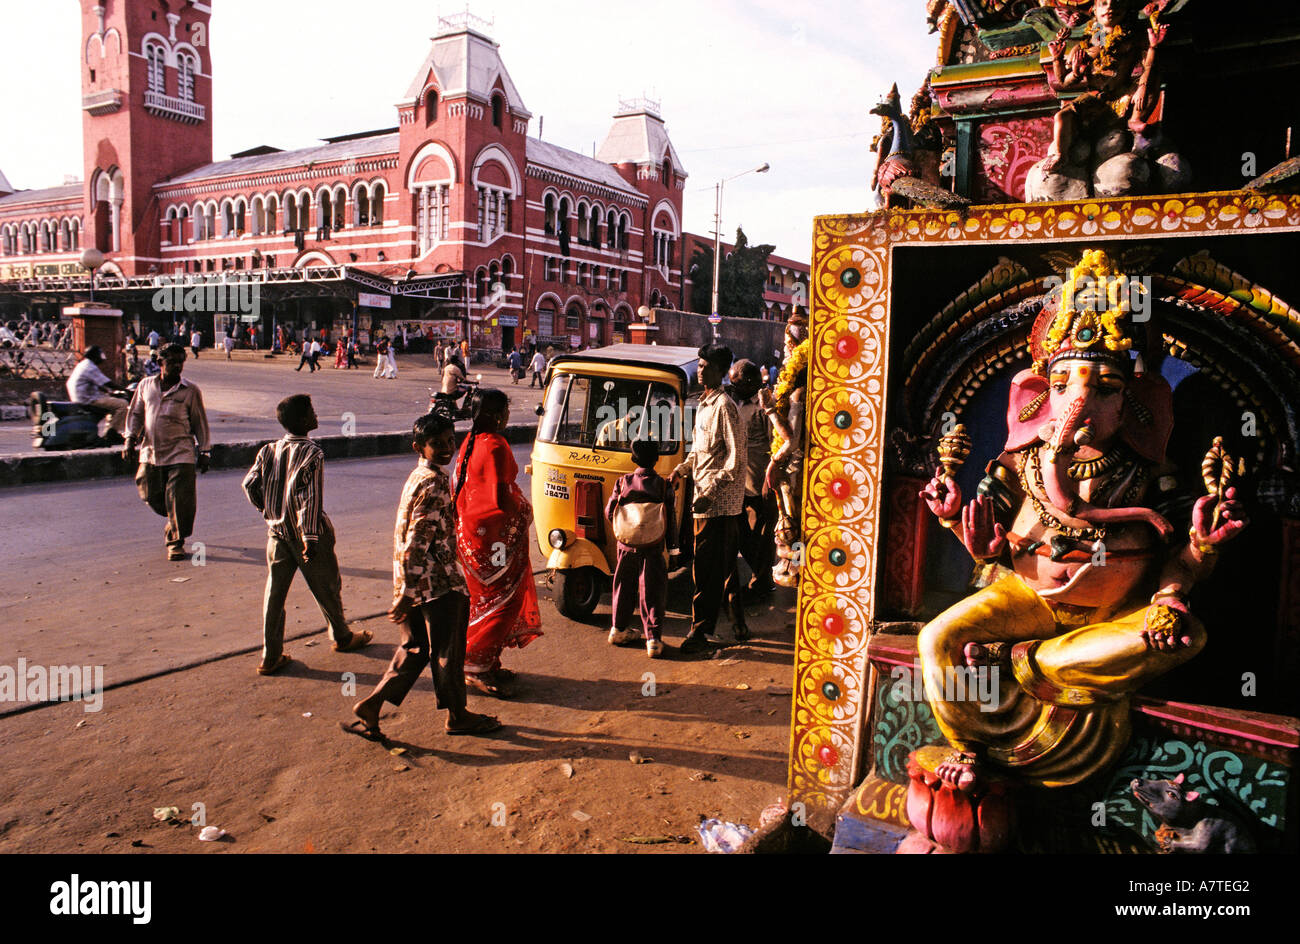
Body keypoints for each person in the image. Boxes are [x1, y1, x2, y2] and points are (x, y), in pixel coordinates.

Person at [343, 411, 502, 741]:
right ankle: (459, 716)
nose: (446, 448)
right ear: (419, 446)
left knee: (414, 649)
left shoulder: (417, 476)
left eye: (449, 441)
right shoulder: (435, 483)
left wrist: (405, 586)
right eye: (437, 444)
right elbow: (419, 538)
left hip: (411, 580)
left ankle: (372, 705)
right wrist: (408, 590)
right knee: (449, 653)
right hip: (438, 582)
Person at [241, 394, 373, 675]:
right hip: (308, 535)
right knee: (326, 586)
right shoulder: (313, 453)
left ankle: (270, 655)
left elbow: (250, 484)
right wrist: (310, 538)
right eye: (311, 411)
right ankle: (341, 636)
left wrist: (269, 510)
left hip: (277, 533)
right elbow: (309, 499)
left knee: (274, 595)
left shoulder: (269, 450)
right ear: (303, 420)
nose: (316, 414)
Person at [454, 388, 542, 695]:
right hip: (495, 541)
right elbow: (502, 499)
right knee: (505, 603)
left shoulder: (469, 441)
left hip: (471, 538)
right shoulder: (495, 446)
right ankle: (476, 665)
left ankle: (487, 661)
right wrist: (525, 513)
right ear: (495, 415)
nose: (508, 416)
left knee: (484, 601)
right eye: (505, 410)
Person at [670, 343, 745, 653]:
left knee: (707, 570)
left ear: (719, 371)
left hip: (718, 505)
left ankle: (701, 632)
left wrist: (710, 492)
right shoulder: (703, 405)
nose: (699, 370)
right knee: (711, 568)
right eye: (699, 365)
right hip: (702, 499)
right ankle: (713, 627)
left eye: (705, 366)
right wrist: (683, 468)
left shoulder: (725, 406)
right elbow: (699, 451)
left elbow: (735, 458)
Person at [123, 344, 211, 560]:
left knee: (179, 497)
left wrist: (205, 450)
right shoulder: (145, 385)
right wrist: (129, 439)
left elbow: (199, 422)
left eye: (180, 362)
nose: (177, 366)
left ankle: (175, 542)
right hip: (151, 451)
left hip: (181, 451)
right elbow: (135, 413)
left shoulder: (190, 390)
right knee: (149, 492)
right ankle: (174, 516)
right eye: (171, 362)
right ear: (160, 363)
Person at [606, 438, 674, 658]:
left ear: (634, 459)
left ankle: (618, 629)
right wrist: (673, 548)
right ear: (655, 459)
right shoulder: (664, 485)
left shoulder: (623, 482)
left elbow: (610, 512)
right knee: (652, 590)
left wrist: (626, 531)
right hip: (653, 546)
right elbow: (670, 520)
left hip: (626, 544)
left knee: (623, 585)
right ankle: (653, 640)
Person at [728, 359, 777, 602]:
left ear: (749, 382)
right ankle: (763, 578)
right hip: (740, 484)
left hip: (761, 485)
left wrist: (771, 481)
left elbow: (776, 446)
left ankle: (762, 581)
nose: (732, 387)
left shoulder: (765, 406)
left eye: (735, 382)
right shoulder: (737, 403)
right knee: (742, 536)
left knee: (763, 538)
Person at [67, 345, 129, 442]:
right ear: (94, 356)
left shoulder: (83, 364)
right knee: (122, 405)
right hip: (87, 399)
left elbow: (98, 383)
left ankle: (109, 431)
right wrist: (126, 390)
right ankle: (112, 433)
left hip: (80, 397)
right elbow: (107, 383)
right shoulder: (90, 367)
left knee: (113, 403)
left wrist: (109, 392)